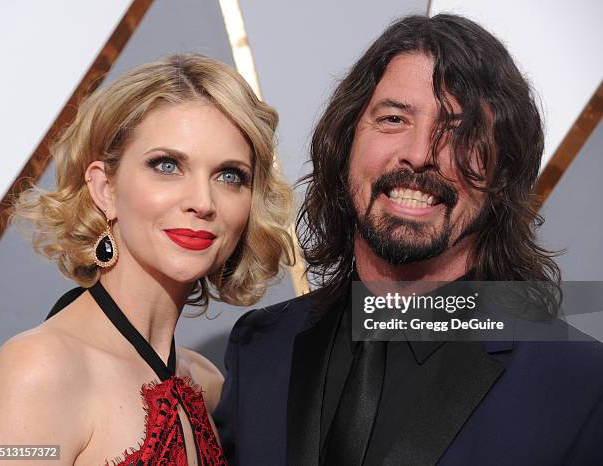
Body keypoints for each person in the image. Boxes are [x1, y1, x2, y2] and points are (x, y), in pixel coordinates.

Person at [213, 14, 603, 466]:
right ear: (346, 143)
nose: (419, 154)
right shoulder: (261, 349)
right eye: (394, 118)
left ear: (503, 172)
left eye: (459, 131)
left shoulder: (578, 383)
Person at [0, 54, 294, 465]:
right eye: (167, 166)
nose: (202, 203)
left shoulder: (207, 384)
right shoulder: (38, 372)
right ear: (105, 189)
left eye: (229, 176)